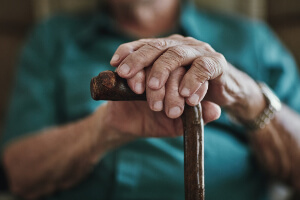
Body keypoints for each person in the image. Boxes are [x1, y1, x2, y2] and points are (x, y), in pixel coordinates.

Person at [1, 0, 300, 199]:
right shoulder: (52, 39)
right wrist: (102, 130)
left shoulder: (252, 41)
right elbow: (18, 173)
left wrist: (247, 97)